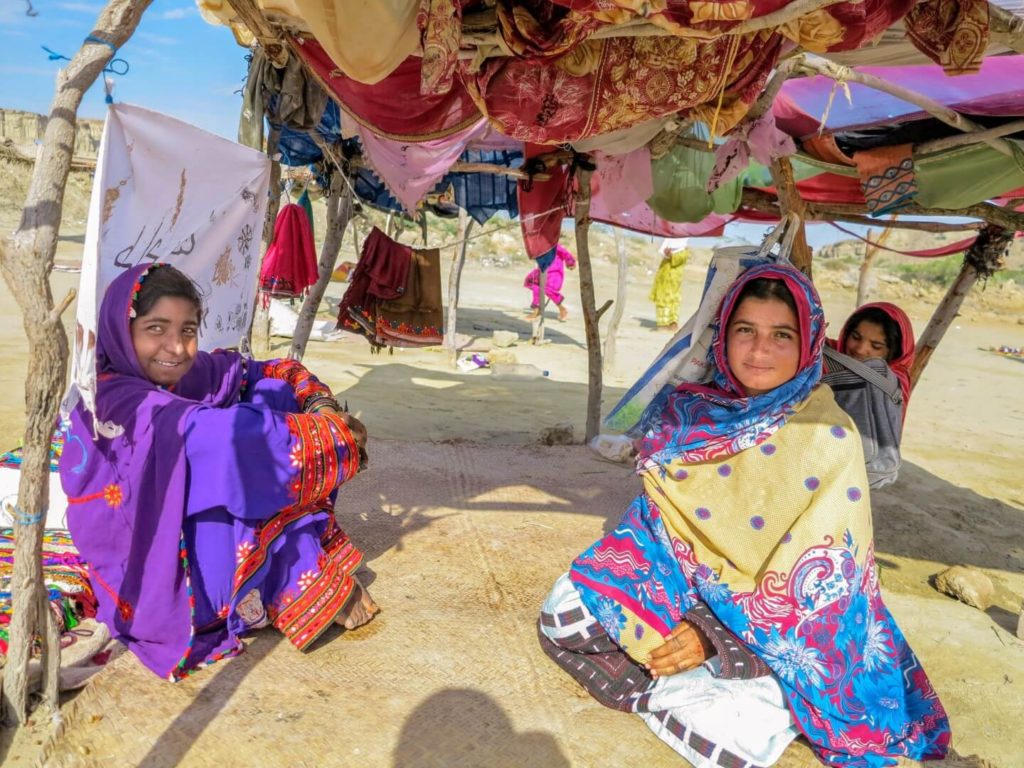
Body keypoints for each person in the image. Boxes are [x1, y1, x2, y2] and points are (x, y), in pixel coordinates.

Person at [538, 264, 949, 767]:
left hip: (769, 624)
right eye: (745, 330)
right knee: (568, 608)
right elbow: (650, 530)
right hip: (680, 586)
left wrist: (713, 638)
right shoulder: (688, 414)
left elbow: (823, 592)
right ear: (723, 336)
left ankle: (720, 681)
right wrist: (660, 598)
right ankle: (682, 683)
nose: (759, 350)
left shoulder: (829, 438)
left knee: (743, 727)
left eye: (781, 335)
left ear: (809, 343)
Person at [59, 264, 377, 681]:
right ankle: (291, 571)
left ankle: (287, 556)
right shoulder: (118, 399)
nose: (175, 348)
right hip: (150, 571)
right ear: (123, 330)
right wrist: (333, 436)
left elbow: (267, 371)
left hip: (185, 525)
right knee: (250, 455)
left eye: (187, 330)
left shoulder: (182, 374)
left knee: (272, 395)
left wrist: (320, 406)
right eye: (157, 329)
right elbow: (230, 440)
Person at [835, 302, 915, 410]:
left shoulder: (890, 387)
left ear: (894, 352)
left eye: (876, 346)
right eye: (855, 337)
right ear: (846, 334)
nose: (860, 350)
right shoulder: (825, 356)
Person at [524, 244, 576, 322]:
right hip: (542, 271)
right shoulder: (540, 245)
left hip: (555, 273)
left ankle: (562, 309)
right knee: (533, 283)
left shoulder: (555, 246)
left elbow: (566, 254)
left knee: (547, 289)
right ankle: (536, 309)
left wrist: (570, 263)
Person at [650, 240, 689, 331]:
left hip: (673, 280)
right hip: (663, 279)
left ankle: (670, 323)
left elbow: (678, 260)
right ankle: (664, 323)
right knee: (662, 300)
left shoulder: (683, 250)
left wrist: (671, 255)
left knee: (672, 301)